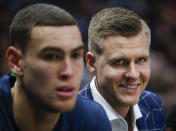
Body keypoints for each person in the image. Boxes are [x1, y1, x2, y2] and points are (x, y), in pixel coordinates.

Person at [0, 3, 111, 131]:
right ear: (16, 62)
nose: (68, 71)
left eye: (75, 55)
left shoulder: (92, 118)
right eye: (51, 56)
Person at [79, 7, 166, 131]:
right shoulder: (69, 119)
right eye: (119, 62)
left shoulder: (153, 104)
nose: (133, 74)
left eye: (141, 60)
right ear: (92, 63)